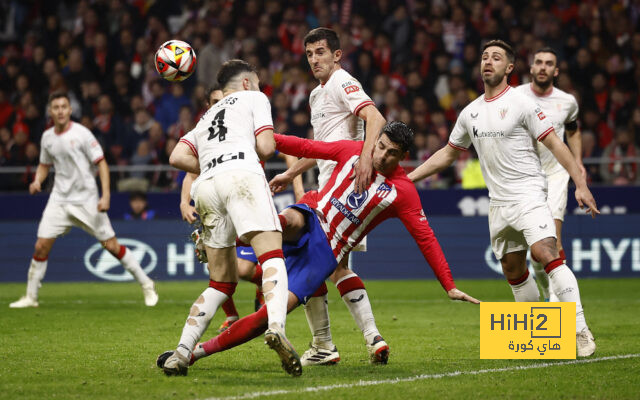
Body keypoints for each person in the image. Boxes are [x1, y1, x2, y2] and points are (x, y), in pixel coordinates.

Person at [156, 121, 478, 371]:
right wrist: (263, 137)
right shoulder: (353, 150)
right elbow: (307, 145)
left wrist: (448, 285)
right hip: (311, 213)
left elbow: (426, 238)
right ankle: (226, 234)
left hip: (327, 254)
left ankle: (194, 354)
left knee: (269, 316)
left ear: (402, 157)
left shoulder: (402, 192)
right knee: (288, 221)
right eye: (379, 147)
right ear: (375, 142)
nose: (380, 155)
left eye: (391, 153)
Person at [408, 40, 599, 357]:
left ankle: (579, 328)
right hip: (498, 204)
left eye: (496, 58)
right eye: (484, 57)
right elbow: (447, 155)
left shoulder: (522, 103)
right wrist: (409, 178)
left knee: (545, 251)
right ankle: (539, 338)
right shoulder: (470, 113)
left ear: (509, 67)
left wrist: (580, 183)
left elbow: (555, 143)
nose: (488, 62)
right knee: (513, 270)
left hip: (528, 194)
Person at [165, 59, 300, 377]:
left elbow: (176, 157)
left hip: (207, 185)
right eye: (256, 81)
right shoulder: (255, 98)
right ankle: (277, 328)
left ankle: (182, 351)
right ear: (246, 83)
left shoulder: (205, 119)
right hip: (243, 175)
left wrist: (213, 162)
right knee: (272, 255)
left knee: (220, 281)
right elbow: (266, 147)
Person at [269, 27, 388, 366]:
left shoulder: (341, 81)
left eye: (320, 52)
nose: (314, 59)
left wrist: (365, 159)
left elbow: (374, 117)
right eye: (309, 54)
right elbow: (323, 145)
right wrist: (292, 172)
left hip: (343, 186)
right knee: (333, 266)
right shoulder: (316, 95)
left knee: (309, 259)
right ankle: (370, 339)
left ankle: (326, 345)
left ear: (337, 55)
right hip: (330, 185)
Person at [9, 92, 158, 308]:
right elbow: (44, 164)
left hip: (87, 200)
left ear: (70, 110)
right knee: (41, 246)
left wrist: (105, 195)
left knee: (112, 246)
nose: (60, 111)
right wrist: (37, 181)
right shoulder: (47, 137)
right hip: (59, 199)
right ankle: (31, 297)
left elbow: (102, 164)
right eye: (56, 107)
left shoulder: (83, 134)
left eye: (64, 107)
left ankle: (147, 284)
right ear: (51, 112)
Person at [179, 87, 304, 333]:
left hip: (248, 198)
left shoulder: (245, 125)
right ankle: (234, 315)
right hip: (219, 200)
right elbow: (190, 172)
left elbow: (284, 150)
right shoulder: (207, 132)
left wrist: (296, 186)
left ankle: (268, 298)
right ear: (208, 106)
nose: (221, 104)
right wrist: (185, 202)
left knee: (244, 268)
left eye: (224, 99)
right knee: (214, 264)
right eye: (215, 101)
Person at [515, 48, 586, 302]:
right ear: (531, 68)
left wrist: (577, 162)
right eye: (539, 63)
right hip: (524, 177)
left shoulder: (567, 102)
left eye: (549, 64)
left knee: (552, 241)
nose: (543, 67)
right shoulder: (516, 97)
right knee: (534, 253)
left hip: (555, 175)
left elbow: (573, 130)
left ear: (556, 71)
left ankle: (557, 302)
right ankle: (546, 290)